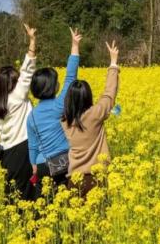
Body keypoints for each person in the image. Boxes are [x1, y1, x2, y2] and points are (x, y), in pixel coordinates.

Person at [27, 27, 82, 200]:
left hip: (44, 166)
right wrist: (74, 45)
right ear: (53, 87)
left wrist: (33, 165)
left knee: (45, 210)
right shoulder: (59, 106)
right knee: (69, 206)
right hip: (65, 163)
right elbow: (70, 77)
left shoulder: (32, 116)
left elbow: (33, 146)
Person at [61, 40, 120, 198]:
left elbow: (68, 83)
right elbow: (109, 93)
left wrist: (74, 47)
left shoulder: (64, 121)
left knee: (76, 222)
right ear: (88, 97)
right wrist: (113, 63)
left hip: (74, 181)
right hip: (96, 179)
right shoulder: (95, 114)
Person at [0, 24, 37, 204]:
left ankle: (13, 226)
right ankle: (30, 230)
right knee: (28, 194)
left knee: (13, 193)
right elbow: (28, 71)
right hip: (23, 151)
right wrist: (32, 41)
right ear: (13, 83)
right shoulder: (17, 97)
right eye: (17, 79)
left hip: (7, 155)